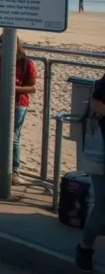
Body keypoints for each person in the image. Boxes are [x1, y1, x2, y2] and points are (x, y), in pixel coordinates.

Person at [0, 35, 38, 178]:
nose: (2, 50)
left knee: (13, 136)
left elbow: (32, 88)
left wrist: (11, 88)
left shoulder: (26, 63)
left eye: (5, 47)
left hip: (18, 103)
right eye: (0, 47)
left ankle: (14, 169)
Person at [77, 74, 105, 271]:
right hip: (103, 154)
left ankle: (85, 248)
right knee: (102, 205)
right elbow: (97, 105)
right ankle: (85, 248)